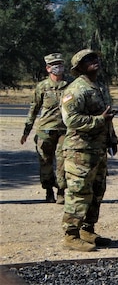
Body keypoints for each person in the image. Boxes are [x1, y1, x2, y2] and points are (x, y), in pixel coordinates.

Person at [60, 49, 118, 252]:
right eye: (88, 60)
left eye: (95, 58)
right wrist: (99, 120)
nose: (94, 61)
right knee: (79, 192)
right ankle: (71, 235)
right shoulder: (75, 90)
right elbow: (71, 120)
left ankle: (87, 230)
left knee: (97, 191)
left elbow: (107, 116)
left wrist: (112, 138)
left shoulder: (99, 87)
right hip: (80, 151)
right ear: (80, 66)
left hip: (98, 150)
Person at [21, 53, 71, 204]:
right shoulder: (42, 87)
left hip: (65, 130)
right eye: (55, 65)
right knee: (45, 162)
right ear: (48, 68)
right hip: (45, 130)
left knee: (63, 163)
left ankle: (61, 192)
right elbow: (34, 109)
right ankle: (49, 191)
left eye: (61, 64)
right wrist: (26, 131)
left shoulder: (71, 84)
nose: (58, 67)